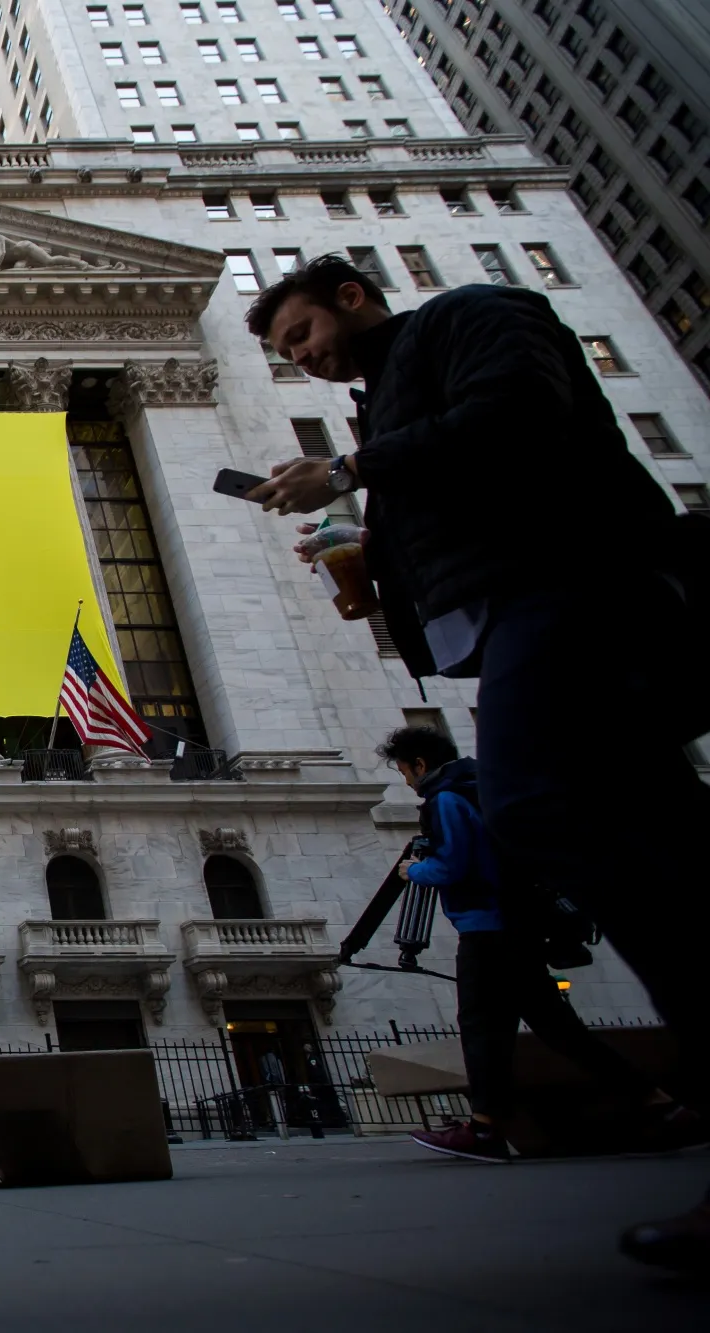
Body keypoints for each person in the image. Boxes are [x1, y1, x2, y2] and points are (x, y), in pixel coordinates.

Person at [246, 255, 709, 1267]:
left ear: (350, 296)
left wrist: (349, 473)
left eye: (301, 336)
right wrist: (369, 560)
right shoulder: (382, 401)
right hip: (529, 610)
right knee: (654, 827)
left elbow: (514, 418)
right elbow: (454, 490)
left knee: (541, 806)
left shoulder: (475, 313)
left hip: (578, 584)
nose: (302, 359)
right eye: (287, 352)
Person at [376, 727, 688, 1163]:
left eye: (405, 771)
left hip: (487, 929)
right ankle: (657, 1102)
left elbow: (454, 866)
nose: (407, 781)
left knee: (482, 1027)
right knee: (555, 1028)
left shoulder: (446, 800)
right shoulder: (484, 789)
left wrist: (414, 871)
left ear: (420, 764)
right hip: (518, 924)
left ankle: (485, 1129)